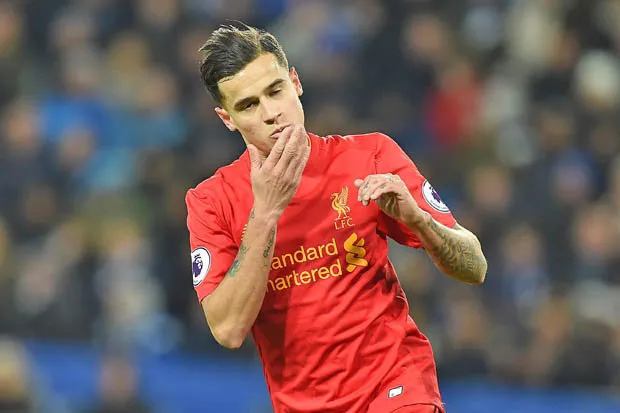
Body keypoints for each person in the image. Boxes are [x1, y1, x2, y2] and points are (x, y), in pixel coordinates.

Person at [185, 23, 487, 413]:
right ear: (227, 118)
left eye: (275, 91)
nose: (271, 113)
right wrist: (266, 214)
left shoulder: (370, 157)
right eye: (248, 105)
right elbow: (227, 329)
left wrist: (418, 221)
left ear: (295, 83)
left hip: (395, 388)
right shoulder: (212, 201)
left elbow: (474, 266)